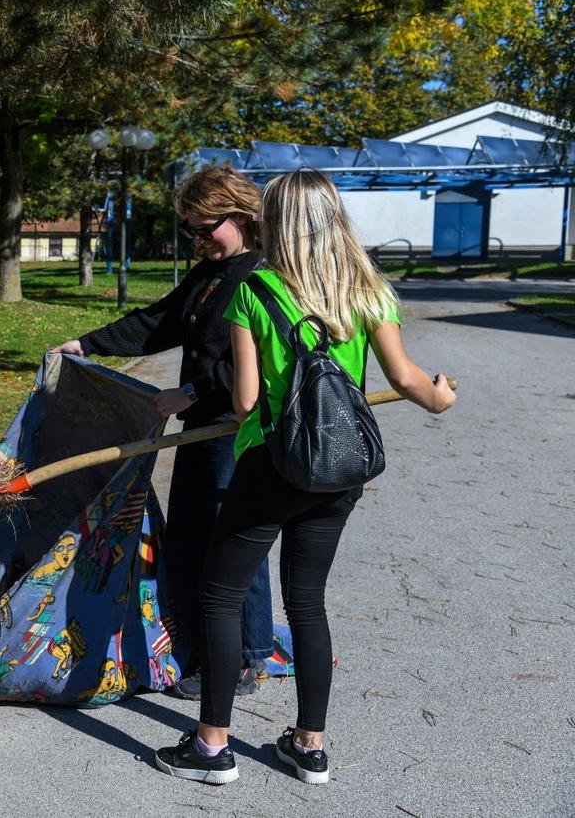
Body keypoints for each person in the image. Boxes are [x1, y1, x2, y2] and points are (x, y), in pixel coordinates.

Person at [154, 169, 456, 786]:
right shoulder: (369, 290)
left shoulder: (255, 290)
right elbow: (405, 379)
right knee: (308, 600)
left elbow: (242, 402)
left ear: (275, 222)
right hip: (339, 469)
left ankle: (213, 747)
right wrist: (440, 398)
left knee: (221, 594)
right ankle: (309, 746)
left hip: (270, 463)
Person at [51, 165, 274, 700]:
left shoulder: (264, 276)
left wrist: (192, 392)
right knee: (193, 537)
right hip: (202, 430)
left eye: (206, 228)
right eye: (191, 232)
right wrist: (86, 345)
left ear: (241, 216)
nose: (199, 240)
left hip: (238, 431)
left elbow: (265, 363)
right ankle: (200, 642)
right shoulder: (207, 275)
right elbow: (158, 322)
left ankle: (247, 656)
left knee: (233, 542)